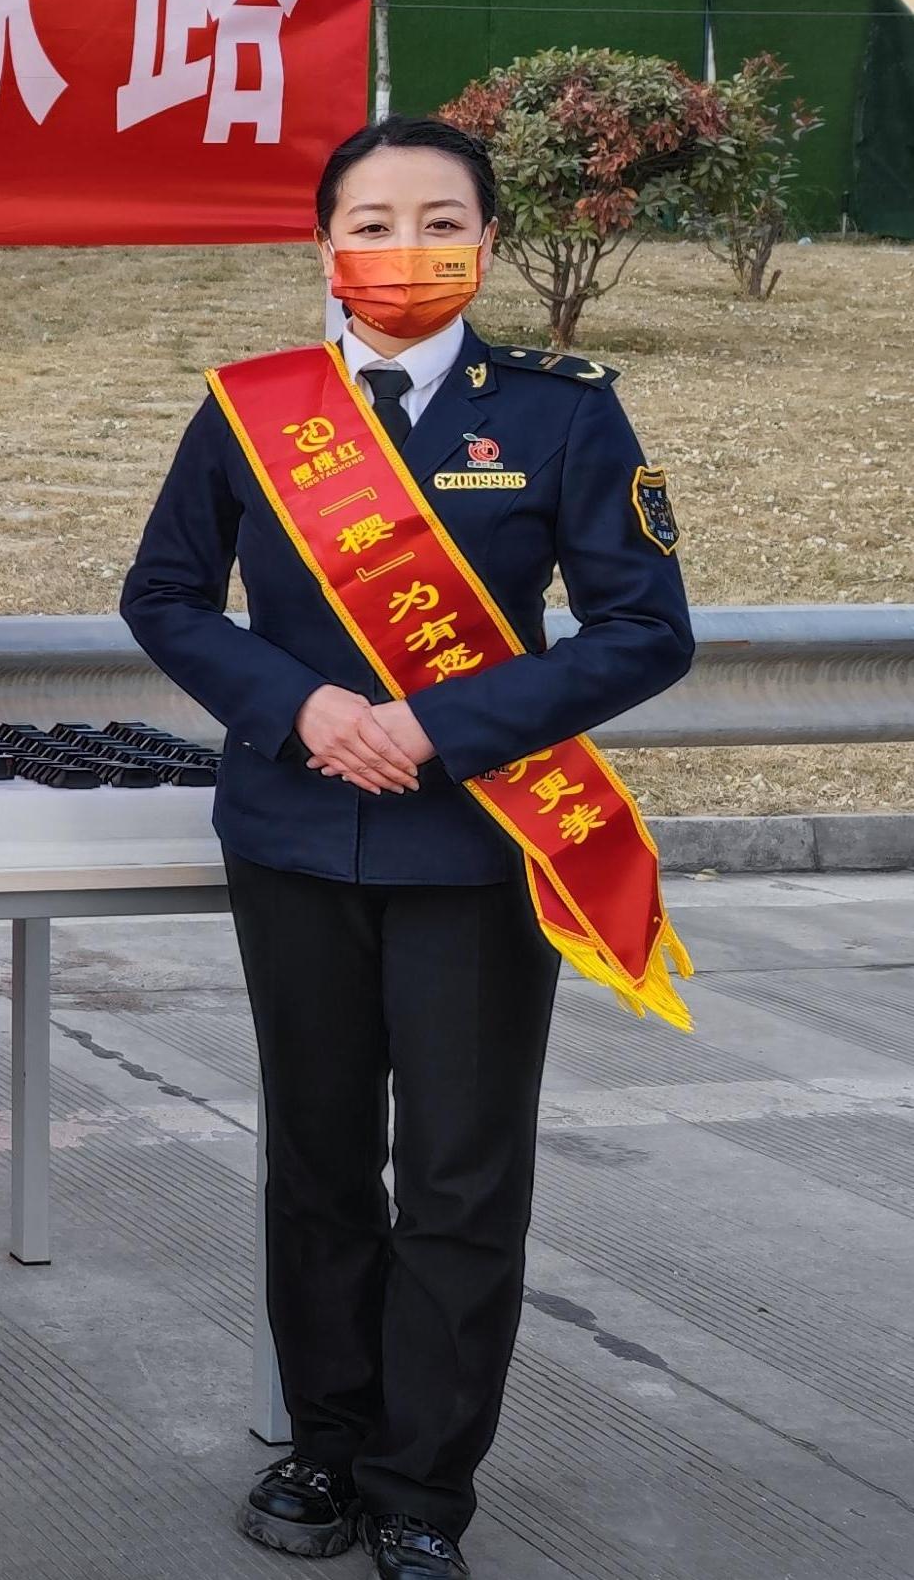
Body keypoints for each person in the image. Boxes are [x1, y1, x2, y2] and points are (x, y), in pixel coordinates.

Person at [121, 118, 694, 1580]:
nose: (405, 248)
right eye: (371, 222)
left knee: (458, 1177)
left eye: (441, 221)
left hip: (476, 842)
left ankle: (423, 1486)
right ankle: (324, 1443)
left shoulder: (563, 414)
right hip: (293, 832)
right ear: (325, 243)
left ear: (487, 243)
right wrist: (299, 704)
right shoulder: (251, 408)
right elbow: (165, 596)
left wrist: (439, 724)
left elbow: (644, 628)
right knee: (317, 1160)